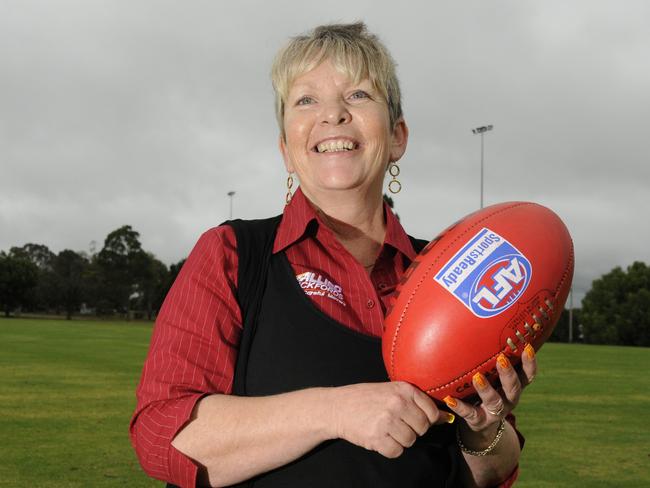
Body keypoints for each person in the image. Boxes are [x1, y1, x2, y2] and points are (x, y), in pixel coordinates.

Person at [130, 22, 536, 488]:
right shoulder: (233, 254)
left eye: (359, 95)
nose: (334, 115)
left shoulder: (452, 272)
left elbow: (488, 472)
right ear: (286, 148)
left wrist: (482, 428)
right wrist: (337, 411)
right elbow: (164, 434)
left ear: (398, 136)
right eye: (306, 100)